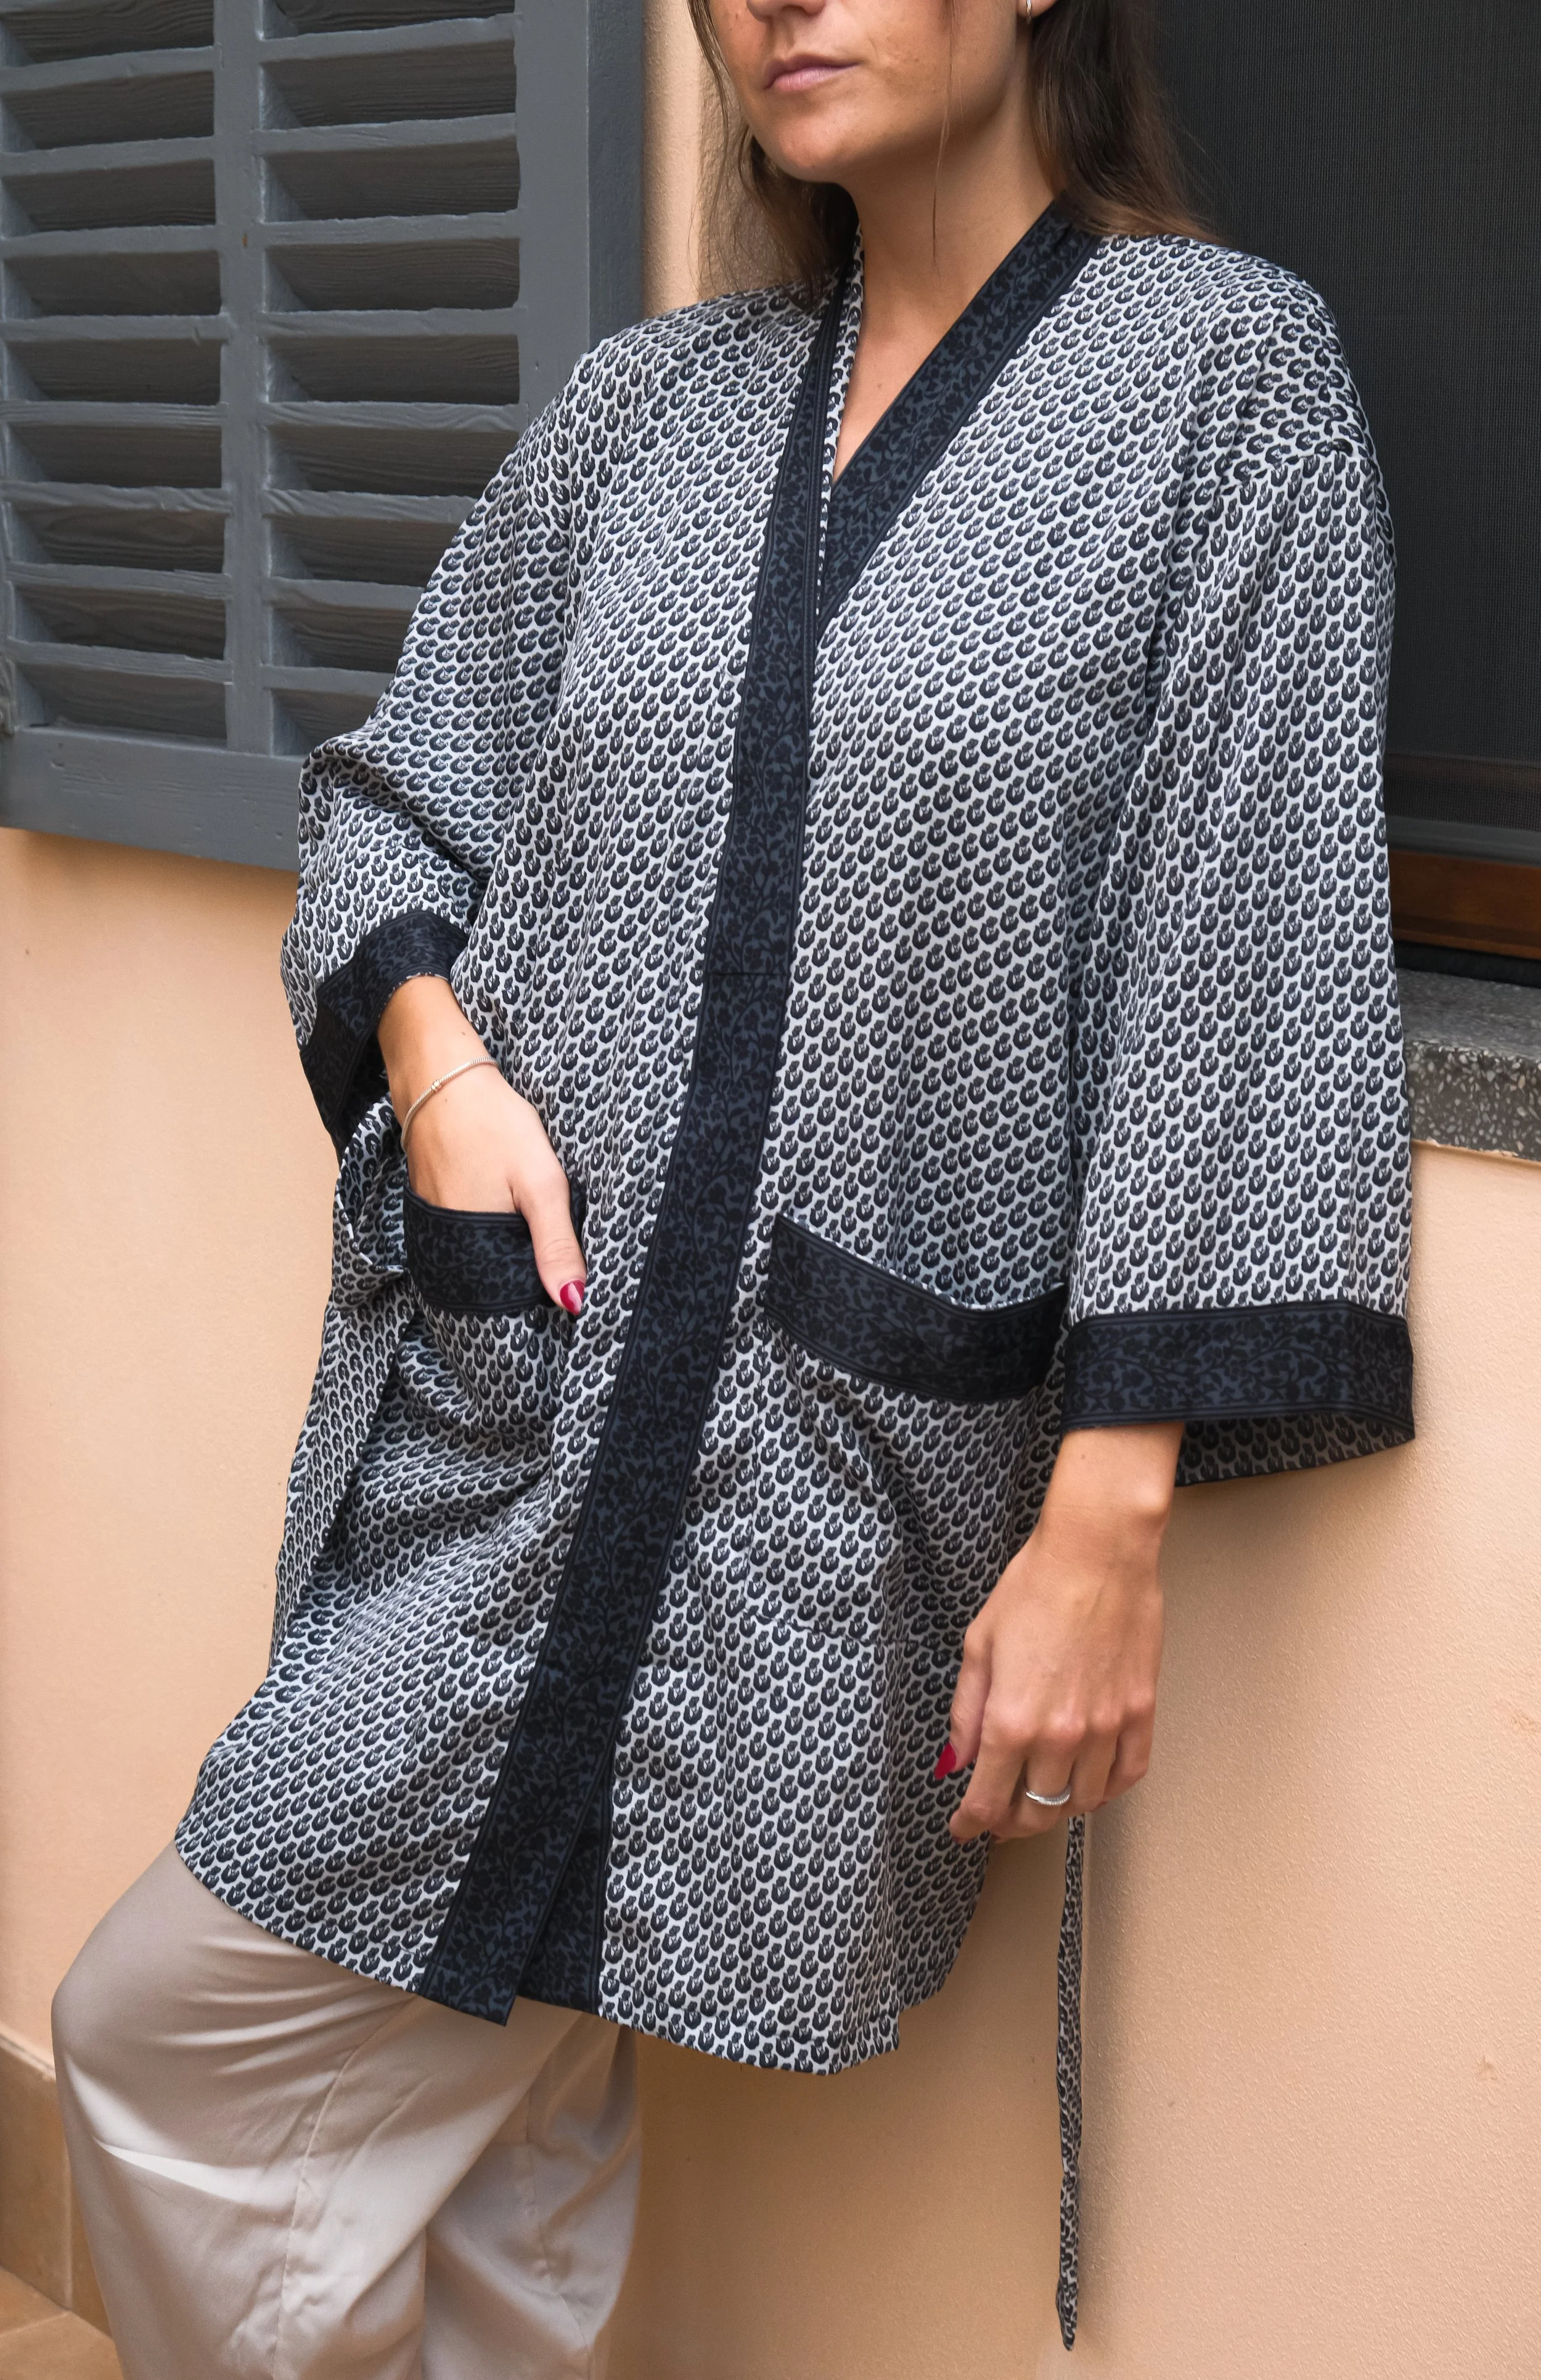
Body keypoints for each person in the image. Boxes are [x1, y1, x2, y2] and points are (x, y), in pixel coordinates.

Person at [52, 0, 1414, 2370]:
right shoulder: (649, 406)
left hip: (827, 1470)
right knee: (446, 2125)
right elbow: (400, 790)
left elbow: (1240, 937)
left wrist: (1107, 1515)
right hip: (514, 1422)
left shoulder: (1221, 382)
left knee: (251, 2057)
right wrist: (436, 1068)